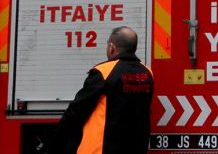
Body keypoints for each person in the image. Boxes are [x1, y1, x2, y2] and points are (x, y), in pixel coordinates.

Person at [49, 26, 154, 154]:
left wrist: (53, 144)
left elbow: (76, 111)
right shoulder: (147, 73)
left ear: (112, 47)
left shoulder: (103, 72)